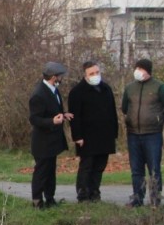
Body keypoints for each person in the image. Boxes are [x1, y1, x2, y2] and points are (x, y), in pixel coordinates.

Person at [120, 57, 164, 207]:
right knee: (136, 169)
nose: (138, 72)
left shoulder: (160, 87)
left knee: (154, 169)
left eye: (141, 69)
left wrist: (159, 118)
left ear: (148, 71)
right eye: (137, 68)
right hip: (133, 133)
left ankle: (155, 199)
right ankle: (137, 198)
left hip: (152, 134)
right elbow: (125, 107)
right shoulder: (130, 88)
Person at [67, 60, 118, 202]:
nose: (95, 75)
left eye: (97, 72)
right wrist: (77, 136)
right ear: (85, 75)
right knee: (87, 166)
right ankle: (83, 194)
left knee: (100, 166)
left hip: (105, 135)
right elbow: (74, 117)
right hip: (86, 137)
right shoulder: (77, 92)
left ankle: (95, 192)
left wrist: (114, 133)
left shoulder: (106, 89)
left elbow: (112, 112)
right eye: (92, 73)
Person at [28, 61, 70, 208]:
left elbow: (53, 111)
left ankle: (50, 198)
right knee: (41, 172)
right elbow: (35, 119)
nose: (62, 79)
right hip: (42, 142)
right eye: (60, 76)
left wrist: (63, 115)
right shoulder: (39, 94)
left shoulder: (54, 90)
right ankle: (37, 201)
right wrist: (52, 121)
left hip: (53, 141)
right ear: (53, 77)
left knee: (51, 172)